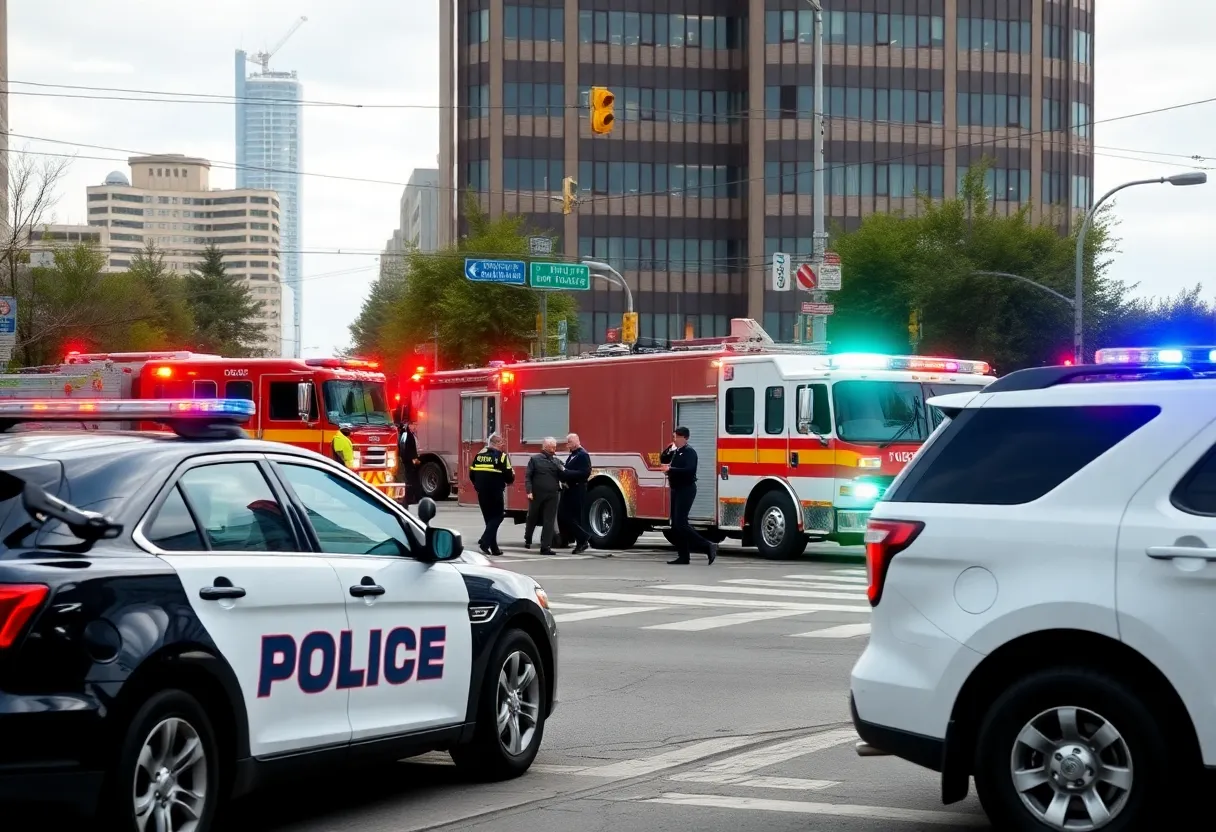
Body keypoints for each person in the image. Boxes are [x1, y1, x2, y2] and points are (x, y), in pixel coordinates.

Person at [660, 425, 717, 566]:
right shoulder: (675, 452)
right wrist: (669, 449)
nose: (675, 439)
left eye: (677, 437)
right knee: (675, 525)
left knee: (681, 523)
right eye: (674, 437)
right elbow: (663, 458)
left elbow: (689, 470)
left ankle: (707, 545)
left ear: (685, 438)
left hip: (686, 489)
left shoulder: (690, 452)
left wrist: (671, 469)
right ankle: (683, 556)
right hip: (676, 489)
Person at [469, 432, 515, 556]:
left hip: (482, 493)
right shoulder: (501, 457)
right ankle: (484, 542)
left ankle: (494, 548)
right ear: (495, 443)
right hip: (495, 492)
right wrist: (511, 478)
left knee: (489, 520)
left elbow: (471, 474)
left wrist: (478, 485)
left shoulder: (479, 456)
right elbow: (509, 477)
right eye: (501, 443)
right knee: (498, 517)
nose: (503, 445)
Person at [524, 437, 564, 556]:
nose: (554, 448)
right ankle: (528, 538)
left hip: (552, 494)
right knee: (532, 516)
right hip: (537, 494)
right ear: (545, 446)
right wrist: (529, 491)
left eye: (555, 446)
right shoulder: (535, 460)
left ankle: (545, 547)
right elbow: (528, 476)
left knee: (549, 521)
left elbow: (563, 473)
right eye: (552, 446)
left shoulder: (556, 461)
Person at [558, 432, 592, 554]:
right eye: (567, 443)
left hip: (577, 489)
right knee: (564, 516)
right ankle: (579, 540)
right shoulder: (572, 455)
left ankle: (582, 539)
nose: (568, 445)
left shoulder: (583, 455)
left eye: (570, 442)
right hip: (569, 489)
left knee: (571, 517)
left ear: (577, 441)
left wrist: (567, 473)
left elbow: (585, 473)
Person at [399, 418, 422, 506]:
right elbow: (405, 448)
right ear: (410, 425)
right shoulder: (407, 435)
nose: (415, 427)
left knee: (412, 479)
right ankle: (411, 498)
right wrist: (413, 459)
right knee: (410, 480)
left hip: (411, 460)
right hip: (409, 461)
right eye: (414, 425)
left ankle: (414, 497)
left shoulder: (410, 434)